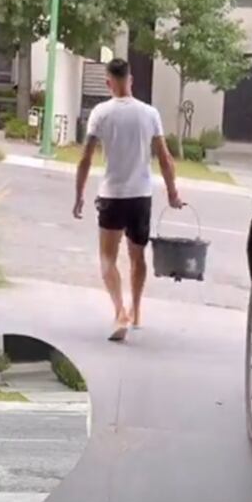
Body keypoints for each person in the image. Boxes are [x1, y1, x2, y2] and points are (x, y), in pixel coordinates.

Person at [73, 58, 183, 341]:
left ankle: (120, 312)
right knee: (138, 256)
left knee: (107, 258)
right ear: (130, 80)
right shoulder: (150, 113)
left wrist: (79, 195)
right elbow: (165, 158)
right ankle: (137, 310)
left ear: (109, 82)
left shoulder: (100, 113)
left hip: (112, 196)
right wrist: (172, 193)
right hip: (140, 197)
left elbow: (85, 158)